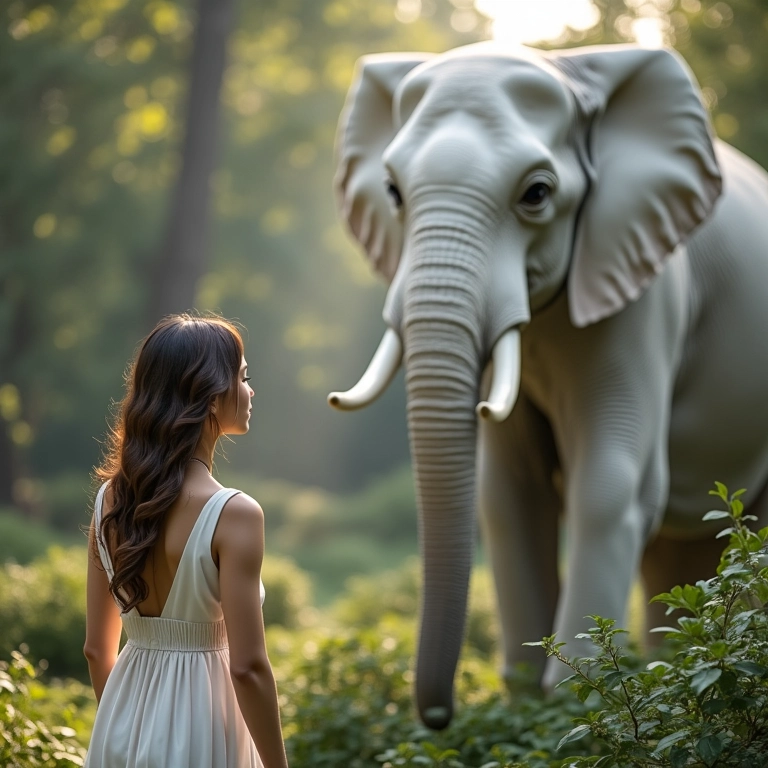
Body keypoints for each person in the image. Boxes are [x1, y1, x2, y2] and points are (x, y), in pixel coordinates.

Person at [83, 313, 289, 768]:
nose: (251, 391)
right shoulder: (235, 514)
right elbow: (248, 667)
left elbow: (98, 650)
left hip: (121, 725)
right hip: (205, 728)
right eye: (243, 377)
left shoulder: (108, 501)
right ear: (212, 398)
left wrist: (126, 725)